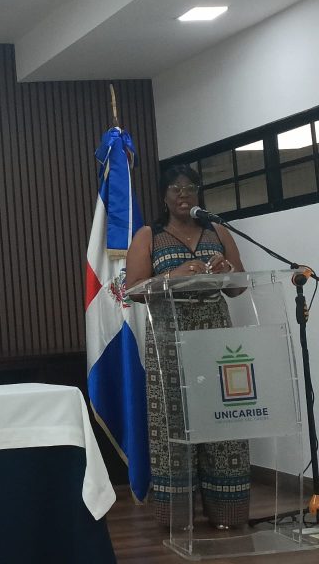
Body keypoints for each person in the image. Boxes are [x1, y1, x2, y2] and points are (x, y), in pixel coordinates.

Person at [125, 165, 250, 529]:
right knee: (174, 421)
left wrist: (226, 271)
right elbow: (133, 289)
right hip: (170, 335)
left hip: (216, 333)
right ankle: (178, 516)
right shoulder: (149, 235)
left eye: (190, 187)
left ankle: (226, 511)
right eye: (175, 188)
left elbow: (238, 286)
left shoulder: (217, 230)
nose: (183, 194)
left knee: (223, 416)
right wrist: (172, 276)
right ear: (163, 195)